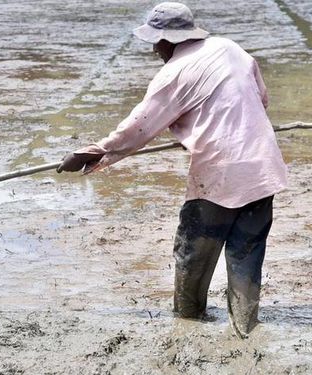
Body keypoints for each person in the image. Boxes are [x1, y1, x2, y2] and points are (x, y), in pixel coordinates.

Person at [57, 2, 288, 338]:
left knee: (193, 251)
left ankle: (188, 324)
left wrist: (92, 152)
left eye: (156, 42)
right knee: (246, 252)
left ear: (168, 40)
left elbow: (138, 128)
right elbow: (259, 100)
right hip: (261, 168)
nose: (154, 50)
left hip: (220, 174)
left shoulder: (173, 73)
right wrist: (194, 131)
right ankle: (246, 328)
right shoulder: (230, 48)